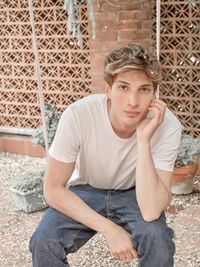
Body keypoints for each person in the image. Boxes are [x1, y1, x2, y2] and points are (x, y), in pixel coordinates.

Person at [29, 43, 182, 267]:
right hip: (87, 189)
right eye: (123, 87)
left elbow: (150, 210)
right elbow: (52, 190)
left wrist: (143, 140)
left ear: (154, 93)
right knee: (44, 241)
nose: (133, 101)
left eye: (144, 89)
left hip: (136, 193)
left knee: (158, 241)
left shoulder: (168, 126)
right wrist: (110, 229)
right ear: (108, 89)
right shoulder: (79, 115)